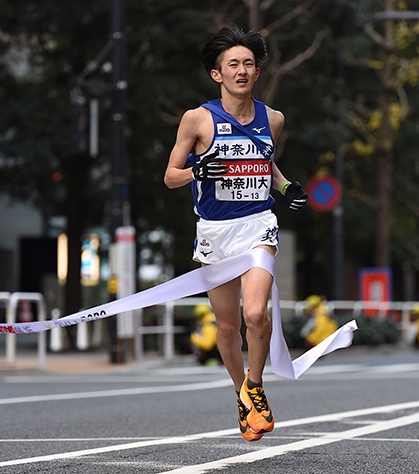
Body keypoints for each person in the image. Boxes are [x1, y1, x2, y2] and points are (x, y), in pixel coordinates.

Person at [164, 25, 307, 442]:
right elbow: (171, 176)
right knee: (226, 327)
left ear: (257, 72)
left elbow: (266, 164)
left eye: (248, 63)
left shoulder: (273, 119)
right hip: (215, 231)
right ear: (217, 74)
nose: (242, 71)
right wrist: (197, 170)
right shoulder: (197, 119)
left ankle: (257, 385)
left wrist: (285, 187)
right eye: (233, 65)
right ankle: (242, 396)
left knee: (255, 313)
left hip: (258, 224)